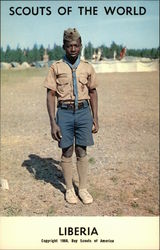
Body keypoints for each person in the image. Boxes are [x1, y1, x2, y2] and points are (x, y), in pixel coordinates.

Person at [44, 28, 99, 204]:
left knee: (82, 150)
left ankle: (82, 188)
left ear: (81, 45)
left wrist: (95, 117)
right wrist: (53, 122)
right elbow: (50, 95)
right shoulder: (56, 67)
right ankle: (69, 189)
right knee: (67, 150)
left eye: (76, 45)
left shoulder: (87, 67)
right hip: (65, 113)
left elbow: (93, 92)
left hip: (84, 112)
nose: (73, 49)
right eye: (69, 46)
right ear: (64, 47)